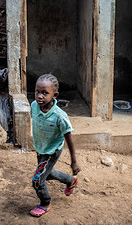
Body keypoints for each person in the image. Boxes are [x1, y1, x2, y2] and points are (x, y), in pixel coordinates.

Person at [30, 74, 80, 217]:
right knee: (47, 172)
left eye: (45, 93)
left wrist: (74, 162)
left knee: (38, 179)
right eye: (37, 92)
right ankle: (70, 181)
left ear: (55, 95)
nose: (40, 96)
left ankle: (45, 203)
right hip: (40, 147)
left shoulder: (59, 116)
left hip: (52, 151)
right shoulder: (34, 106)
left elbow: (69, 139)